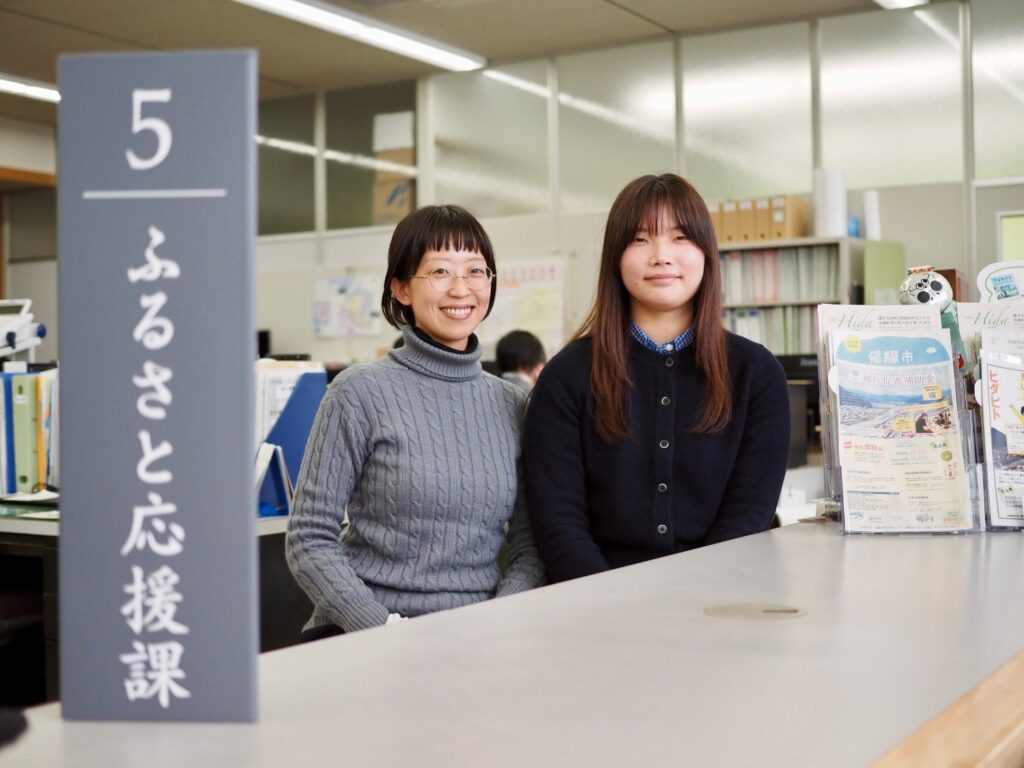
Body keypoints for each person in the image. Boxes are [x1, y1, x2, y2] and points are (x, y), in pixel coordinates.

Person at [287, 204, 545, 640]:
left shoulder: (513, 403)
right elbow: (308, 537)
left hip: (478, 637)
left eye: (475, 271)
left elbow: (530, 546)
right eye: (440, 271)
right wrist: (382, 629)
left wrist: (498, 620)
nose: (461, 289)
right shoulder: (358, 391)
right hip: (365, 634)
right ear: (402, 288)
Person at [523, 173, 790, 583]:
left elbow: (749, 516)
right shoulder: (566, 376)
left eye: (680, 237)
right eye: (640, 239)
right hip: (592, 605)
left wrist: (696, 600)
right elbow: (559, 526)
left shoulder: (756, 373)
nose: (661, 256)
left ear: (706, 252)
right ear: (615, 256)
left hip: (720, 601)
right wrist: (609, 603)